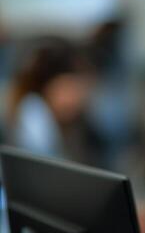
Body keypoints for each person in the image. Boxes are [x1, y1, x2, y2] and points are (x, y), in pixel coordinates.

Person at [5, 36, 104, 166]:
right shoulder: (33, 115)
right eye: (71, 88)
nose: (80, 97)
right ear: (48, 85)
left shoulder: (76, 123)